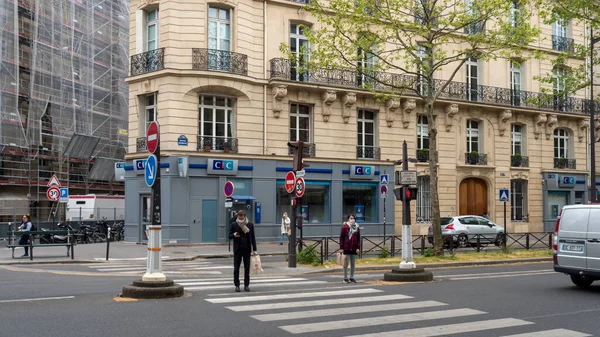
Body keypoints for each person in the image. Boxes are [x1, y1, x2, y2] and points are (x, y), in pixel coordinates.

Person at [229, 210, 257, 292]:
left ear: (244, 216)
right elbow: (229, 236)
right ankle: (237, 285)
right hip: (237, 249)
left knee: (247, 268)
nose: (240, 218)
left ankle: (246, 285)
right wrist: (234, 235)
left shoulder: (250, 225)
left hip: (247, 249)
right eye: (239, 217)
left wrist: (254, 249)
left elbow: (253, 238)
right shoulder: (234, 224)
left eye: (241, 217)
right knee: (236, 268)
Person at [339, 214, 360, 283]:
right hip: (346, 247)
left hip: (354, 248)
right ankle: (345, 278)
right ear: (348, 219)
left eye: (353, 218)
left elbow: (358, 238)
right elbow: (341, 238)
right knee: (346, 263)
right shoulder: (345, 227)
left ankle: (352, 277)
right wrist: (341, 247)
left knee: (353, 263)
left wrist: (358, 247)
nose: (352, 219)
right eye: (351, 218)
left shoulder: (356, 227)